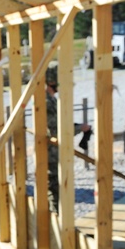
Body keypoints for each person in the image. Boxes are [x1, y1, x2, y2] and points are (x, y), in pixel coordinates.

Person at [43, 66, 90, 210]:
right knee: (54, 188)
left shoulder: (50, 100)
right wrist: (78, 128)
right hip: (52, 152)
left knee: (58, 187)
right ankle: (56, 222)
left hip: (56, 151)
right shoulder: (46, 102)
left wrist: (78, 126)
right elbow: (55, 130)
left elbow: (60, 123)